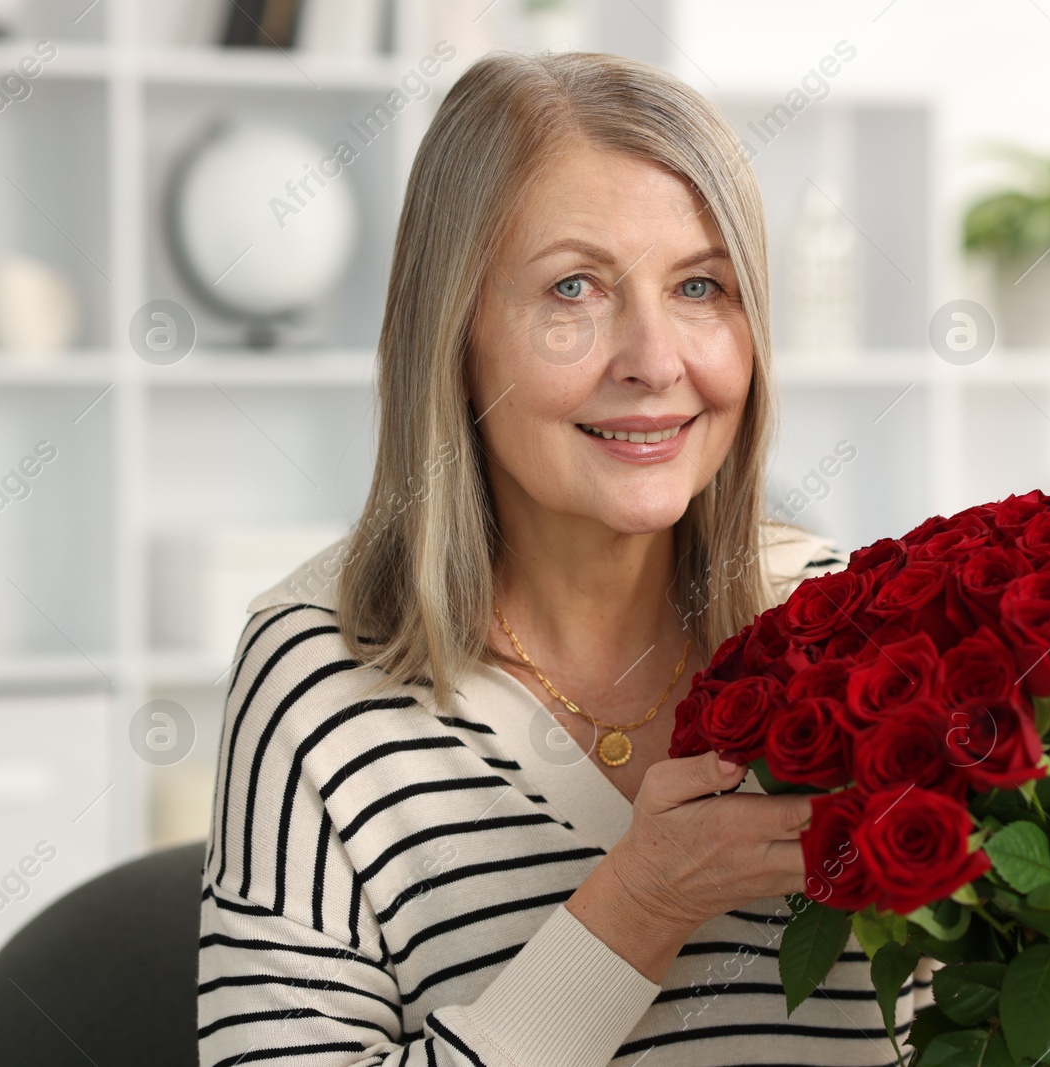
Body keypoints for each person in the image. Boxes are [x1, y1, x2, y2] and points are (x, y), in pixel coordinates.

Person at [197, 50, 935, 1067]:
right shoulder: (319, 671)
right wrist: (639, 902)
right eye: (574, 287)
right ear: (451, 332)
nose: (653, 358)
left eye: (699, 284)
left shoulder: (854, 628)